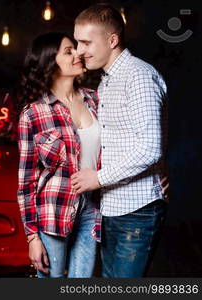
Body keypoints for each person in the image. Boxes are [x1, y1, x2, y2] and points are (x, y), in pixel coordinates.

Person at [71, 4, 168, 277]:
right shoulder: (108, 80)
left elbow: (150, 148)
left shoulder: (138, 76)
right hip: (111, 208)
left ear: (112, 40)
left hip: (137, 211)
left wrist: (97, 178)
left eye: (86, 42)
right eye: (77, 42)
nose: (79, 50)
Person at [16, 32, 101, 278]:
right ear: (50, 62)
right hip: (54, 209)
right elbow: (26, 182)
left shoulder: (95, 99)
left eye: (75, 48)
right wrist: (32, 236)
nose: (78, 54)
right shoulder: (33, 113)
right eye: (68, 51)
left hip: (92, 208)